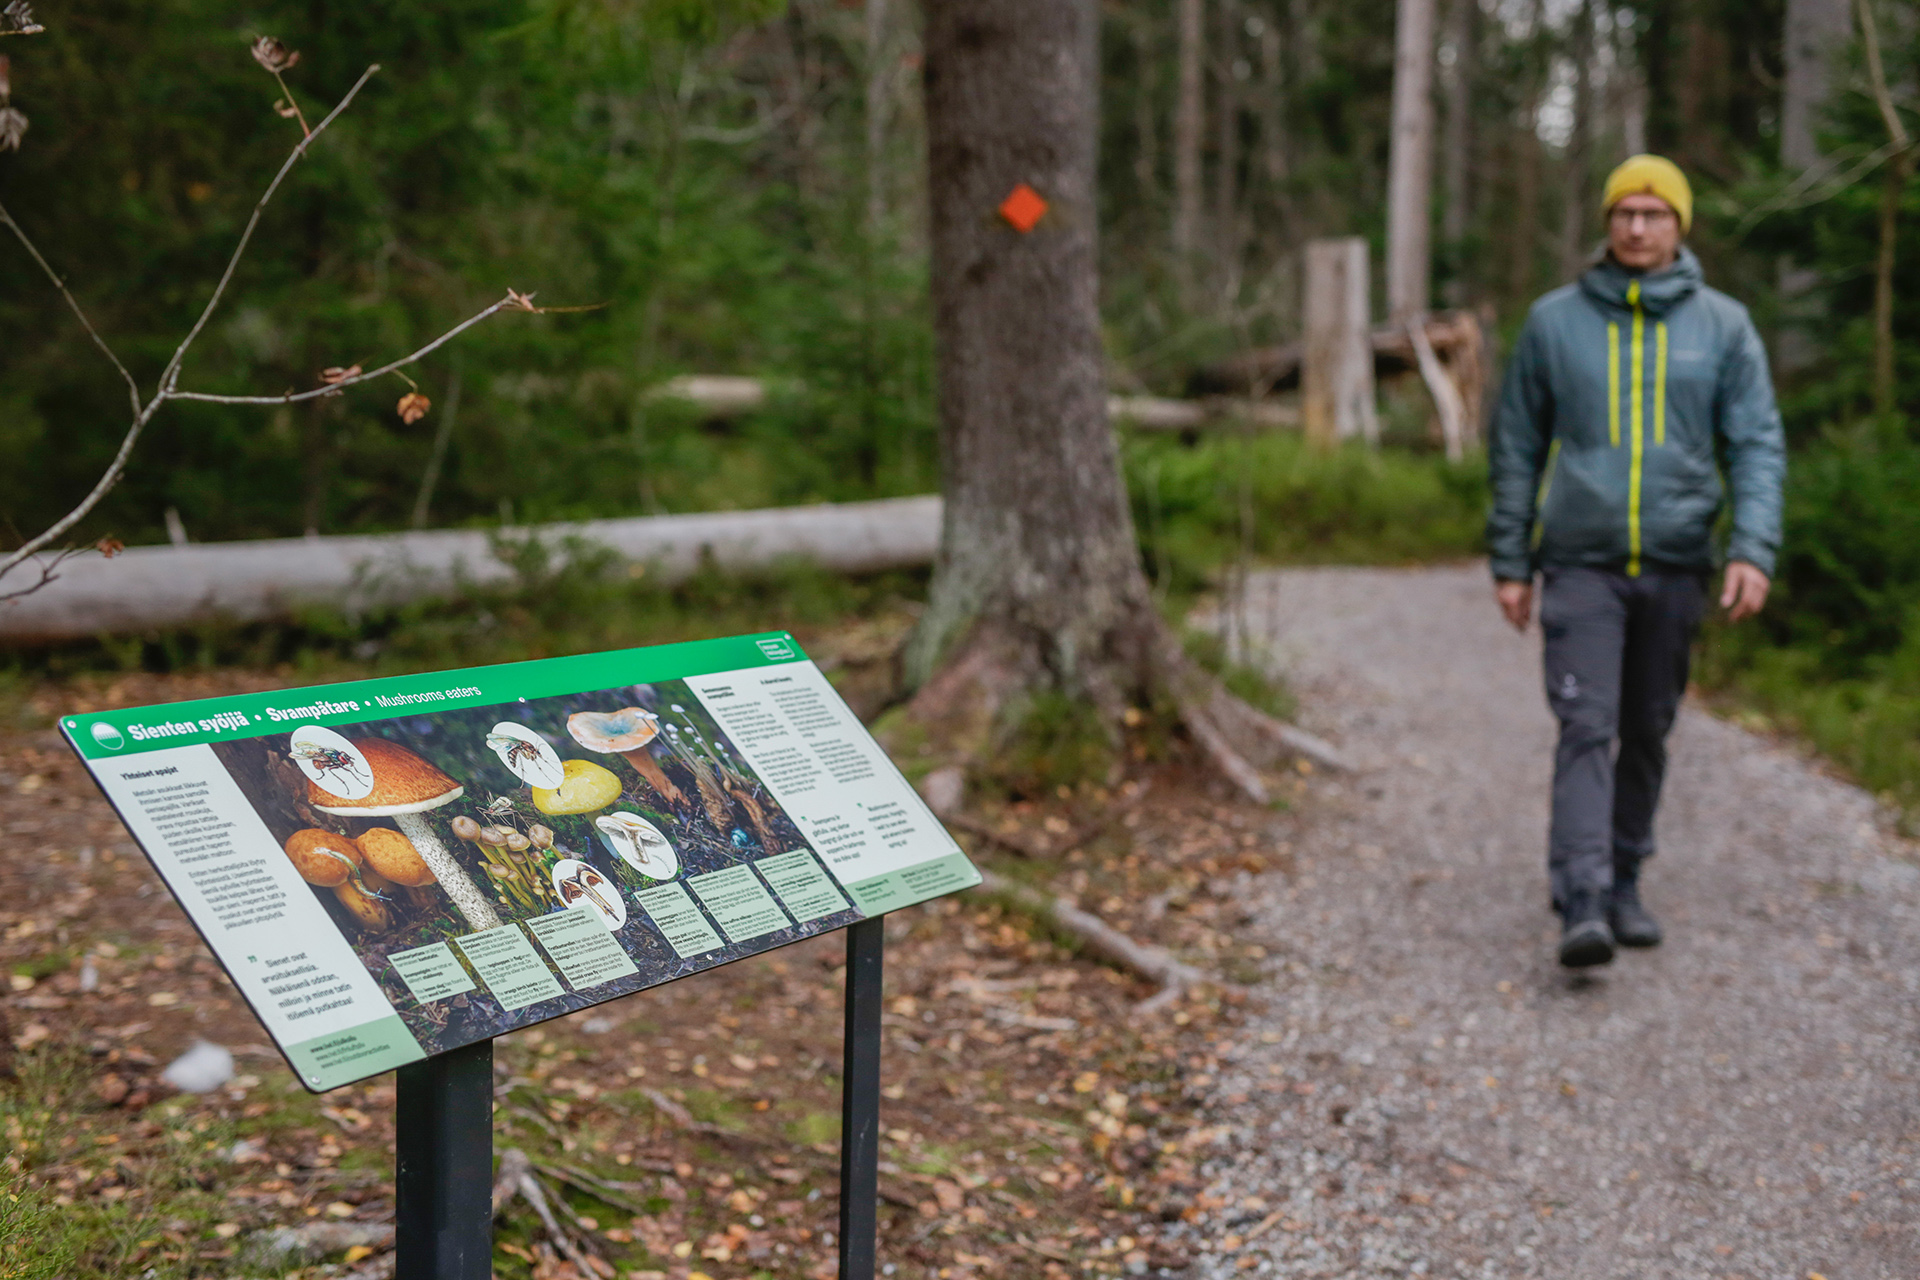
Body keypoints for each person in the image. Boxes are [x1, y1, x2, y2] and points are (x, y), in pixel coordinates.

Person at [1486, 155, 1786, 968]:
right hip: (1580, 564)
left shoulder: (1723, 326)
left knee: (1648, 728)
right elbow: (1517, 446)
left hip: (1678, 562)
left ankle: (1623, 879)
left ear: (1679, 224)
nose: (1639, 226)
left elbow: (1756, 443)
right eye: (1627, 211)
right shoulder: (1555, 322)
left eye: (1656, 212)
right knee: (1587, 723)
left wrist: (1753, 548)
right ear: (1608, 222)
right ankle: (1580, 898)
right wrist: (1511, 560)